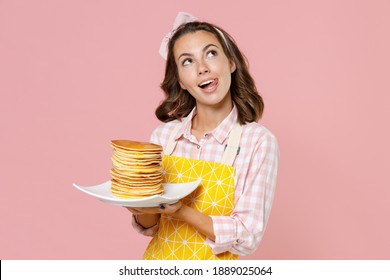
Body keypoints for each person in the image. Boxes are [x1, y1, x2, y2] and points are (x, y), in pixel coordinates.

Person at [126, 12, 279, 260]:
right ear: (181, 81)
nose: (202, 68)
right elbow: (151, 225)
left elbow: (248, 235)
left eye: (211, 53)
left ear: (231, 63)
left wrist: (182, 212)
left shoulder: (258, 142)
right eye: (187, 61)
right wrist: (140, 206)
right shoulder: (163, 136)